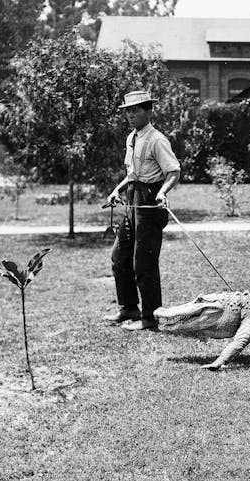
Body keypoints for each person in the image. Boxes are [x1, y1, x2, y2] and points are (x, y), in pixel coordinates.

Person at [103, 91, 181, 330]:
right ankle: (129, 308)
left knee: (144, 263)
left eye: (135, 110)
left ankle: (150, 317)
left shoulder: (157, 140)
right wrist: (117, 190)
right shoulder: (132, 138)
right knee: (119, 256)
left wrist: (162, 192)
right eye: (127, 110)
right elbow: (132, 174)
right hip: (132, 199)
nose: (130, 115)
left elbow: (174, 171)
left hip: (149, 202)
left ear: (149, 111)